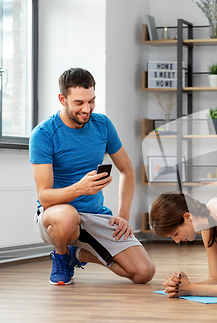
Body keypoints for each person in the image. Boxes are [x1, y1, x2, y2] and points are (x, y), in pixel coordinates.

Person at [30, 68, 155, 285]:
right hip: (56, 216)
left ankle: (76, 255)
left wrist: (123, 215)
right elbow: (45, 197)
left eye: (92, 101)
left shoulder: (103, 125)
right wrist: (80, 188)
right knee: (67, 217)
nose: (87, 109)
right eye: (79, 103)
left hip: (95, 215)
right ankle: (61, 256)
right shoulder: (43, 134)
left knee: (144, 273)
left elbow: (127, 169)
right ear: (62, 99)